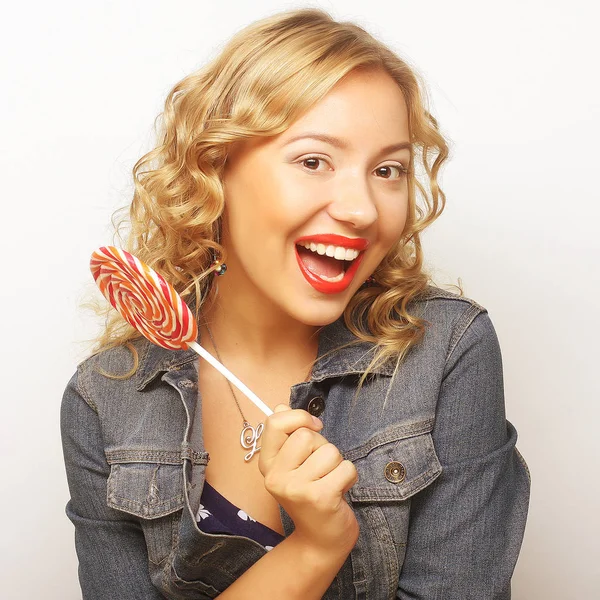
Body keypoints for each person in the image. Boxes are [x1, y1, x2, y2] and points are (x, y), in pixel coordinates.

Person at [61, 8, 530, 600]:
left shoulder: (445, 350)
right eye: (314, 161)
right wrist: (316, 547)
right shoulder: (105, 399)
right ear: (215, 168)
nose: (361, 208)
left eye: (388, 169)